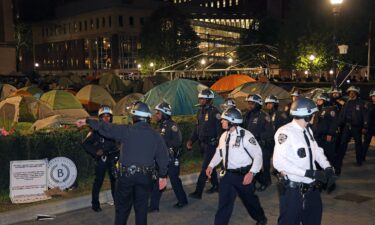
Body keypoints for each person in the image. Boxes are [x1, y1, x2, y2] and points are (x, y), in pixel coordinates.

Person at [76, 101, 169, 225]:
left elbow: (106, 128)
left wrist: (87, 121)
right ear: (147, 117)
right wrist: (163, 176)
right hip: (145, 177)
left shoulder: (126, 130)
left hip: (126, 177)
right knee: (141, 210)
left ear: (134, 117)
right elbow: (163, 157)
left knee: (122, 210)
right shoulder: (155, 135)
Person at [273, 97, 336, 225]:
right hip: (293, 191)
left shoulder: (307, 130)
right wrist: (310, 173)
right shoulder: (285, 132)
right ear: (306, 116)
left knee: (313, 220)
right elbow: (279, 163)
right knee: (289, 221)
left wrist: (327, 167)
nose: (315, 116)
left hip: (311, 188)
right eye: (313, 114)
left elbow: (316, 150)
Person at [206, 108, 268, 225]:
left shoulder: (246, 136)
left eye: (224, 119)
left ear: (232, 121)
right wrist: (211, 165)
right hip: (227, 176)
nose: (221, 121)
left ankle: (261, 218)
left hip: (243, 176)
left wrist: (252, 172)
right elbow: (219, 153)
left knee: (250, 201)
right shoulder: (224, 135)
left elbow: (258, 155)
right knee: (224, 204)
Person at [149, 101, 188, 212]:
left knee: (175, 180)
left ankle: (182, 200)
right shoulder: (161, 125)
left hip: (171, 158)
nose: (156, 115)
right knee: (158, 180)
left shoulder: (172, 126)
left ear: (164, 113)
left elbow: (178, 142)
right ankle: (154, 206)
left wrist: (166, 147)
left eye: (158, 113)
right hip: (162, 159)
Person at [186, 88, 222, 199]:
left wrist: (218, 144)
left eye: (203, 99)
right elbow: (197, 129)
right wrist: (191, 140)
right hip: (202, 145)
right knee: (210, 167)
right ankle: (216, 185)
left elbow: (220, 131)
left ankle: (198, 192)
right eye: (200, 98)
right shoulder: (200, 112)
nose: (200, 100)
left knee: (204, 168)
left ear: (209, 100)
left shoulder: (215, 113)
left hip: (212, 145)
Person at [82, 105, 119, 212]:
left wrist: (120, 145)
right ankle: (95, 204)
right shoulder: (96, 130)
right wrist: (95, 151)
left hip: (113, 158)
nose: (106, 118)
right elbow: (85, 143)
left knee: (115, 181)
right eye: (104, 116)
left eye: (108, 116)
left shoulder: (114, 128)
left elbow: (121, 139)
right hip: (102, 158)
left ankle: (117, 202)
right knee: (98, 181)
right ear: (100, 118)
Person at [243, 94, 274, 191]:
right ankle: (256, 180)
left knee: (263, 165)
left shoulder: (264, 116)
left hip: (263, 145)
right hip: (251, 144)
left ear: (258, 104)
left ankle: (266, 182)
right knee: (252, 164)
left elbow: (270, 132)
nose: (249, 105)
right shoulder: (248, 115)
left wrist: (258, 137)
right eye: (249, 103)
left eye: (252, 103)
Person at [336, 86, 367, 174]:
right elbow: (342, 114)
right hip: (346, 126)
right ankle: (339, 160)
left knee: (358, 144)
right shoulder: (346, 103)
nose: (351, 93)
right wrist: (339, 124)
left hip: (357, 127)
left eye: (353, 92)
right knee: (342, 143)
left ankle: (359, 160)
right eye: (350, 92)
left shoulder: (361, 103)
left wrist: (365, 126)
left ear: (356, 93)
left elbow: (365, 115)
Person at [312, 93, 339, 170]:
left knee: (329, 154)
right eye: (317, 100)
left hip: (326, 136)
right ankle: (320, 170)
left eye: (320, 100)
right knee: (318, 154)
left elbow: (334, 123)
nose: (317, 101)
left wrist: (330, 134)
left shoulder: (331, 110)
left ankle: (334, 170)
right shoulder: (318, 110)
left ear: (325, 101)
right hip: (317, 136)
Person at [362, 88, 375, 162]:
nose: (374, 97)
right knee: (366, 142)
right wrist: (364, 126)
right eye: (373, 96)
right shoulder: (368, 105)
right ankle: (362, 156)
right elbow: (365, 116)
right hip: (369, 127)